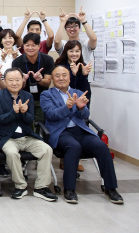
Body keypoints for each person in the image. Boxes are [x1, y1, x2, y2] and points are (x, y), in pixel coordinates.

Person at [41, 65, 123, 204]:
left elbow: (85, 115)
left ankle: (110, 188)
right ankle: (69, 189)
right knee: (73, 147)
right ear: (52, 79)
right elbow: (51, 114)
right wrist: (66, 107)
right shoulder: (46, 95)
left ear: (69, 77)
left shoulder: (78, 92)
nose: (61, 78)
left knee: (101, 146)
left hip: (80, 130)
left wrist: (81, 107)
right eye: (57, 76)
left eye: (64, 75)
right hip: (61, 132)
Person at [0, 68, 57, 201]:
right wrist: (14, 112)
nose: (14, 83)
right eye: (11, 80)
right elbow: (0, 119)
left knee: (46, 149)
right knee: (11, 153)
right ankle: (20, 186)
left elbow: (30, 120)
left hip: (27, 136)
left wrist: (24, 112)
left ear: (22, 81)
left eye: (18, 80)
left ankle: (41, 187)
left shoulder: (28, 96)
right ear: (5, 81)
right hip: (8, 138)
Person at [11, 33, 54, 123]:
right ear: (23, 46)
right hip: (24, 99)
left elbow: (48, 83)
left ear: (39, 46)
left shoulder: (47, 59)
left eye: (33, 45)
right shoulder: (16, 62)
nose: (30, 48)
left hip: (42, 98)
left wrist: (39, 80)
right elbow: (17, 88)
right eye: (27, 45)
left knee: (41, 124)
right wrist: (23, 81)